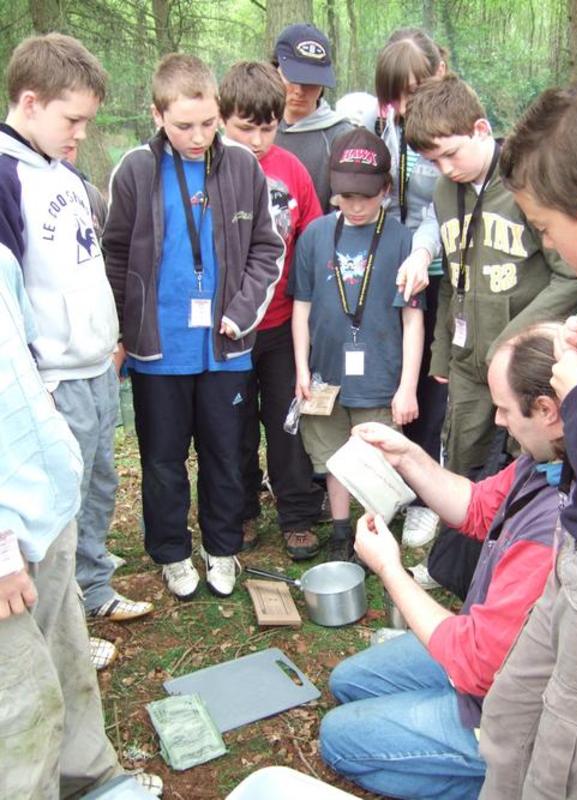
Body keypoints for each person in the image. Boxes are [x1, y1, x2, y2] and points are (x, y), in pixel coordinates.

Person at [319, 322, 566, 800]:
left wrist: (390, 570)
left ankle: (508, 777)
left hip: (510, 709)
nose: (498, 421)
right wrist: (408, 457)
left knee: (339, 739)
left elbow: (475, 665)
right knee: (349, 682)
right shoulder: (548, 457)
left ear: (546, 410)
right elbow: (478, 507)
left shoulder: (553, 532)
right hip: (487, 658)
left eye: (504, 408)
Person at [103, 54, 284, 600]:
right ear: (158, 115)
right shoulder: (135, 170)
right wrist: (123, 332)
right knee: (162, 460)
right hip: (158, 349)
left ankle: (222, 548)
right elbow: (114, 256)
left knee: (226, 454)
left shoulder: (244, 167)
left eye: (208, 122)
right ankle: (172, 553)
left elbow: (267, 250)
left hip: (225, 347)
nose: (199, 136)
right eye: (184, 126)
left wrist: (242, 312)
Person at [403, 73, 577, 587]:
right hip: (467, 361)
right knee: (461, 457)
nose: (445, 168)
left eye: (450, 153)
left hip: (522, 366)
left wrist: (513, 342)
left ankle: (521, 569)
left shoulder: (526, 187)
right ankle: (453, 566)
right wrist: (442, 353)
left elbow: (569, 278)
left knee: (525, 467)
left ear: (481, 129)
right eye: (433, 161)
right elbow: (452, 281)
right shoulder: (446, 192)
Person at [0, 242, 162, 798]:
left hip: (44, 507)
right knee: (20, 709)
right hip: (6, 544)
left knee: (67, 667)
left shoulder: (3, 261)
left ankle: (90, 780)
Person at [0, 33, 152, 622]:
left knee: (98, 483)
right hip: (52, 380)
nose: (82, 133)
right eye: (73, 119)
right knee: (59, 499)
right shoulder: (7, 180)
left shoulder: (65, 174)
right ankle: (62, 620)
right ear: (30, 102)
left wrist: (113, 342)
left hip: (96, 366)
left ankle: (93, 587)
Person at [478, 79, 577, 800]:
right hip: (575, 554)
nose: (546, 244)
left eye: (547, 229)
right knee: (512, 715)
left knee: (566, 759)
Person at [292, 127, 424, 560]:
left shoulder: (402, 239)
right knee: (334, 457)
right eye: (347, 196)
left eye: (367, 196)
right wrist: (301, 369)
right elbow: (301, 307)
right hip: (326, 376)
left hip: (381, 375)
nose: (356, 206)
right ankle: (339, 532)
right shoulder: (315, 235)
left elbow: (412, 318)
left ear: (386, 190)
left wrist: (407, 386)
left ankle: (372, 536)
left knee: (375, 460)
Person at [219, 61, 325, 560]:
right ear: (222, 119)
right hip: (229, 331)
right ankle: (241, 510)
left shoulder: (292, 170)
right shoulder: (211, 171)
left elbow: (313, 239)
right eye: (246, 128)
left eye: (269, 128)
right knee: (234, 427)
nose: (258, 140)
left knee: (287, 423)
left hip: (283, 325)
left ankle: (297, 514)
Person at [363, 28, 448, 551]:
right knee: (390, 377)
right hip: (385, 266)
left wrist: (420, 253)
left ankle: (426, 497)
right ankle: (386, 485)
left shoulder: (450, 128)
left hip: (433, 268)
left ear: (440, 73)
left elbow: (440, 208)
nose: (406, 105)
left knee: (428, 388)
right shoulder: (383, 124)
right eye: (396, 96)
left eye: (414, 92)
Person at [272, 22, 354, 212]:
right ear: (275, 71)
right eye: (292, 78)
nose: (300, 90)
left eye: (310, 81)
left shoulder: (340, 137)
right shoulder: (256, 130)